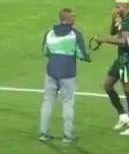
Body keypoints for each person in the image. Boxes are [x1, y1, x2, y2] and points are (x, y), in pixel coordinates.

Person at [39, 8, 92, 143]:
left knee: (47, 101)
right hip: (68, 73)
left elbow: (45, 51)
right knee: (68, 103)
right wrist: (88, 56)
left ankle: (43, 134)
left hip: (51, 71)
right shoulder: (75, 35)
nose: (74, 19)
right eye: (73, 17)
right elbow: (82, 54)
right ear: (68, 19)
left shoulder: (50, 33)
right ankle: (67, 136)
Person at [92, 0, 129, 136]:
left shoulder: (127, 23)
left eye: (118, 7)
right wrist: (113, 19)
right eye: (115, 6)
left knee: (128, 89)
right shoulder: (123, 19)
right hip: (120, 59)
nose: (116, 9)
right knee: (108, 86)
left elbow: (123, 42)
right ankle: (123, 116)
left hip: (127, 60)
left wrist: (104, 40)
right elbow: (113, 32)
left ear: (126, 7)